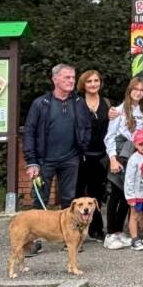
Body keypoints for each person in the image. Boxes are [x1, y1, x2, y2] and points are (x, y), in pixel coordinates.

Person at [22, 64, 90, 257]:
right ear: (55, 80)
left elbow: (86, 127)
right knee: (40, 200)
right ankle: (32, 241)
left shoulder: (78, 102)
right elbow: (29, 132)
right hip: (44, 161)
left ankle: (71, 240)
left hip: (70, 159)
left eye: (73, 77)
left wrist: (81, 148)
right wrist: (31, 161)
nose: (71, 81)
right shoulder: (41, 104)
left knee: (70, 200)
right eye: (67, 77)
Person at [103, 78, 143, 251]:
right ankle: (110, 233)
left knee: (127, 196)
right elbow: (110, 136)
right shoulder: (118, 110)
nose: (138, 92)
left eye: (142, 90)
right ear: (129, 90)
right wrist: (113, 159)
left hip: (135, 158)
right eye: (135, 89)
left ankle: (119, 231)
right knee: (115, 194)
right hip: (120, 157)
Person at [75, 69, 109, 241]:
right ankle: (75, 231)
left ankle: (96, 229)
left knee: (97, 195)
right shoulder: (77, 103)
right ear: (83, 84)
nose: (93, 84)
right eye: (89, 81)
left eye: (96, 80)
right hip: (81, 155)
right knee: (78, 193)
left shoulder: (107, 103)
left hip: (100, 156)